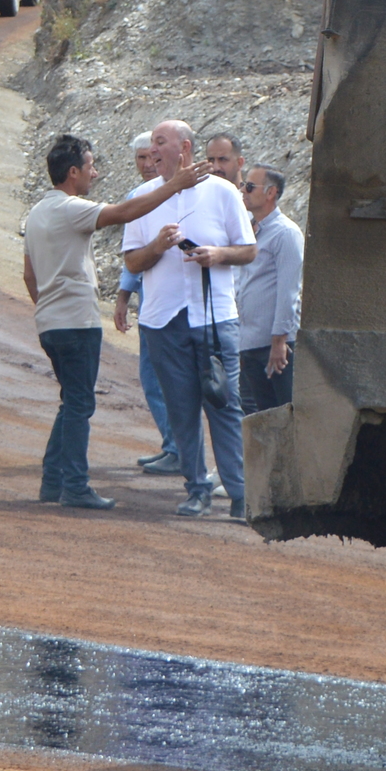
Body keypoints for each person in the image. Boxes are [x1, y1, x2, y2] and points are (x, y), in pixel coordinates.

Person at [22, 134, 204, 509]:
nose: (95, 173)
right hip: (75, 321)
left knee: (70, 401)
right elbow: (123, 213)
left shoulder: (38, 212)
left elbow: (29, 276)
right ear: (73, 173)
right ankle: (74, 485)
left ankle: (53, 482)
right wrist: (174, 186)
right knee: (79, 405)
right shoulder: (71, 209)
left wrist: (47, 308)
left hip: (51, 321)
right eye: (90, 167)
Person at [120, 118, 256, 518]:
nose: (152, 150)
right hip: (163, 320)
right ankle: (196, 488)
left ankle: (240, 494)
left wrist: (218, 255)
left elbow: (247, 250)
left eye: (160, 142)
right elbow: (131, 260)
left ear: (185, 148)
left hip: (214, 320)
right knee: (181, 409)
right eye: (151, 143)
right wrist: (158, 247)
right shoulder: (143, 198)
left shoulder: (223, 193)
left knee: (225, 406)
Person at [112, 131, 182, 477]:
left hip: (177, 308)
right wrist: (124, 297)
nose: (147, 164)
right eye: (141, 158)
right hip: (151, 302)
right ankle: (174, 445)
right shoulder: (139, 198)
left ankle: (179, 449)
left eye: (153, 156)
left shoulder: (177, 196)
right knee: (153, 377)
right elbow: (133, 258)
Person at [236, 166, 302, 415]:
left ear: (271, 193)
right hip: (251, 343)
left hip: (274, 347)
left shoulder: (286, 233)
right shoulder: (248, 230)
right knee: (260, 418)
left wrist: (279, 342)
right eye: (243, 185)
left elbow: (289, 291)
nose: (244, 191)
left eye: (250, 186)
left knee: (284, 415)